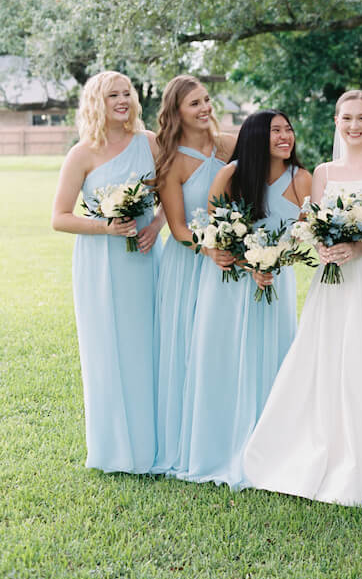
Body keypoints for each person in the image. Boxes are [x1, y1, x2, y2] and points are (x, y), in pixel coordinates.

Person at [243, 90, 362, 507]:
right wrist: (323, 248)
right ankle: (319, 447)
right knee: (326, 361)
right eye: (346, 118)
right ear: (336, 121)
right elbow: (313, 224)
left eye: (361, 118)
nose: (353, 126)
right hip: (331, 281)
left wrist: (359, 248)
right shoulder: (322, 172)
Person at [174, 109, 309, 487]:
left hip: (273, 283)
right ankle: (221, 448)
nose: (285, 136)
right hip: (228, 285)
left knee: (273, 358)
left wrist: (273, 261)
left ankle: (270, 450)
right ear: (254, 137)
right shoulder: (230, 175)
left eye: (288, 128)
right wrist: (242, 261)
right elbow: (215, 233)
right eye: (275, 130)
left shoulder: (303, 179)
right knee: (224, 359)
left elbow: (303, 235)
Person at [51, 71, 164, 473]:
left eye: (127, 93)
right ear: (97, 102)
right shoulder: (81, 154)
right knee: (107, 350)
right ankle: (115, 449)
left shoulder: (149, 142)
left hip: (145, 258)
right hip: (101, 263)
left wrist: (155, 225)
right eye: (113, 94)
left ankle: (156, 444)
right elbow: (59, 218)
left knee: (149, 345)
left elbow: (172, 192)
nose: (122, 100)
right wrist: (106, 226)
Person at [151, 75, 235, 476]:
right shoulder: (172, 161)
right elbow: (178, 227)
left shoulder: (230, 145)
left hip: (232, 262)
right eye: (194, 104)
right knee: (190, 349)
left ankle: (229, 432)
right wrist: (208, 247)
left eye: (206, 100)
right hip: (190, 263)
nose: (205, 109)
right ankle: (192, 439)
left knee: (223, 348)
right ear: (177, 113)